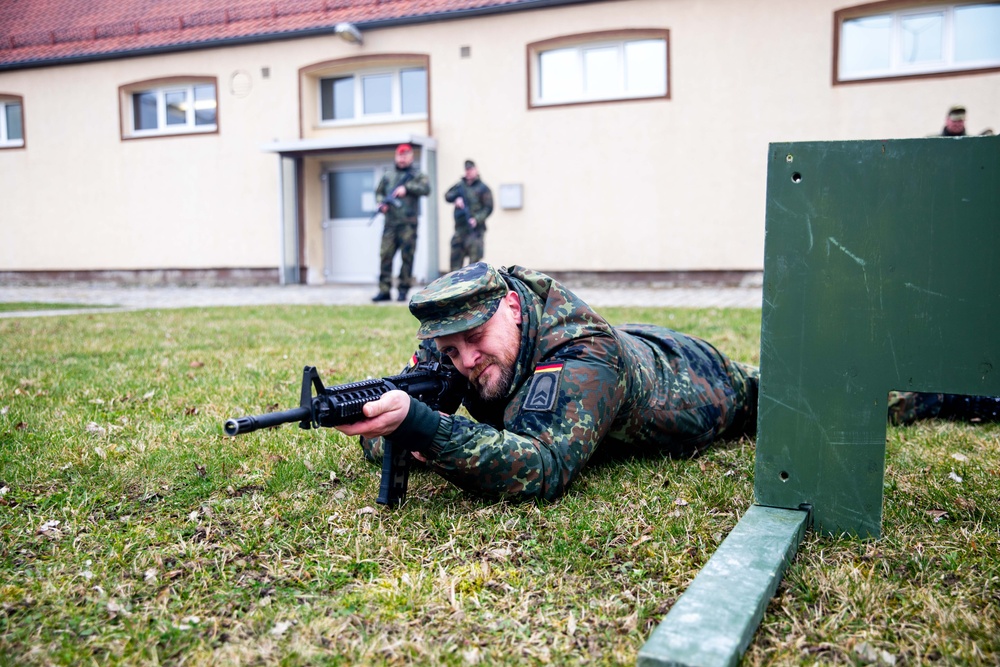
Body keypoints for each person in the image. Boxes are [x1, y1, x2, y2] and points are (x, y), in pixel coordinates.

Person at [335, 262, 759, 501]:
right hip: (631, 340)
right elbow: (398, 410)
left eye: (476, 337)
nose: (466, 360)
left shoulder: (585, 353)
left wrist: (428, 428)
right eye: (450, 350)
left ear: (514, 307)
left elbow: (541, 468)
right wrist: (398, 426)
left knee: (775, 395)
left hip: (693, 379)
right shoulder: (452, 339)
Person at [373, 144, 430, 302]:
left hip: (408, 225)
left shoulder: (417, 175)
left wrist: (407, 188)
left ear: (411, 157)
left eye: (406, 155)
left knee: (407, 258)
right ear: (396, 157)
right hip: (390, 224)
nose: (402, 158)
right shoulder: (388, 176)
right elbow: (379, 193)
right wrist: (381, 204)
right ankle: (384, 290)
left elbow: (426, 189)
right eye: (400, 155)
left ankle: (403, 290)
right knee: (385, 256)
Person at [444, 160, 494, 271]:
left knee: (474, 266)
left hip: (475, 231)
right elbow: (447, 195)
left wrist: (477, 219)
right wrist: (456, 199)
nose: (469, 172)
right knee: (455, 265)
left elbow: (488, 208)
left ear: (476, 170)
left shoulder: (483, 188)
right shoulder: (460, 185)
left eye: (471, 169)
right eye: (467, 170)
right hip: (460, 229)